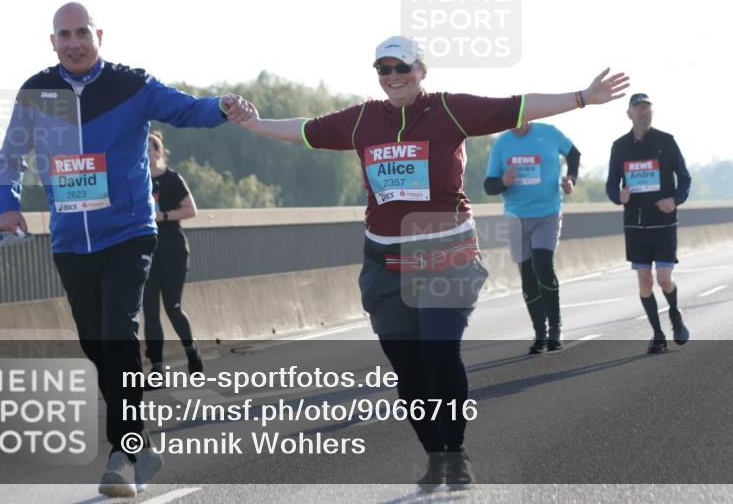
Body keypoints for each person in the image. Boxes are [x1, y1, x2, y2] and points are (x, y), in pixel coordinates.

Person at [228, 35, 628, 490]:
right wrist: (254, 124)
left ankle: (455, 452)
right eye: (384, 68)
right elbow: (304, 130)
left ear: (422, 70)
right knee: (409, 372)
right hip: (384, 261)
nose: (393, 76)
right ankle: (435, 454)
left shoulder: (449, 110)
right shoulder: (362, 120)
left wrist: (582, 98)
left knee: (439, 352)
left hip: (446, 253)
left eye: (403, 67)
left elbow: (516, 107)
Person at [0, 3, 254, 497]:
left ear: (99, 36)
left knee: (117, 332)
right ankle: (139, 442)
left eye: (82, 33)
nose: (74, 42)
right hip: (71, 242)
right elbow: (10, 157)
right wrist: (5, 204)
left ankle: (123, 453)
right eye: (64, 35)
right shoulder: (35, 92)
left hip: (129, 232)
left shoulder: (131, 85)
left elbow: (185, 108)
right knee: (97, 345)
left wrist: (223, 106)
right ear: (53, 42)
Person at [483, 121, 581, 354]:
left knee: (542, 264)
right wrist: (503, 182)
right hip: (516, 216)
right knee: (527, 274)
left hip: (547, 212)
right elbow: (489, 185)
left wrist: (571, 179)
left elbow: (574, 154)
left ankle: (555, 329)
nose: (517, 125)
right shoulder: (502, 143)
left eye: (521, 118)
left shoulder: (549, 133)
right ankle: (540, 333)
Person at [606, 93, 691, 355]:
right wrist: (617, 196)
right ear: (629, 113)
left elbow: (685, 179)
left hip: (664, 225)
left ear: (652, 113)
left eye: (647, 108)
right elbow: (611, 185)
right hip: (635, 226)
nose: (643, 113)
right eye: (638, 108)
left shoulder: (666, 141)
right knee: (645, 281)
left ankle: (675, 314)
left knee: (664, 279)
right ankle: (657, 335)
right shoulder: (619, 146)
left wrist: (675, 200)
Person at [143, 131, 203, 380]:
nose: (147, 154)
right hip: (145, 252)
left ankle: (191, 350)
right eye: (142, 149)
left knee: (173, 307)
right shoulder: (135, 180)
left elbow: (191, 210)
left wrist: (163, 216)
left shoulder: (171, 179)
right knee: (149, 311)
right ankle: (157, 368)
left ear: (159, 152)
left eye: (151, 149)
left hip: (173, 251)